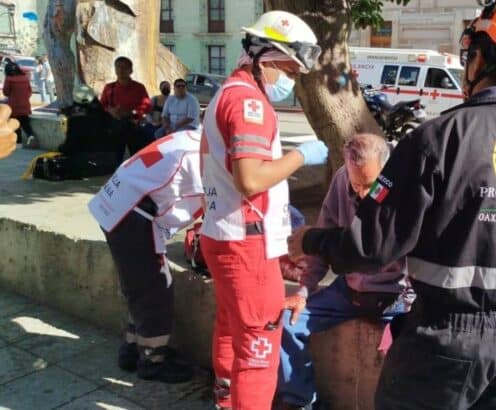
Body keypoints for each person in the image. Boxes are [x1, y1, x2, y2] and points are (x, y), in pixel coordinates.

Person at [288, 0, 496, 408]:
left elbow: (371, 247)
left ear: (481, 56)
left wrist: (312, 239)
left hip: (444, 338)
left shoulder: (433, 141)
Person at [200, 10, 327, 410]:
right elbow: (251, 179)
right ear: (268, 58)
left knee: (230, 327)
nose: (290, 78)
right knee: (259, 348)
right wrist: (300, 155)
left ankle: (224, 400)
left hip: (223, 235)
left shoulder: (227, 92)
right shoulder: (248, 103)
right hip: (246, 244)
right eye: (289, 68)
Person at [277, 133, 414, 410]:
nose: (363, 193)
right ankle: (298, 399)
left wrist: (409, 308)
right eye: (357, 184)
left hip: (395, 296)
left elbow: (417, 260)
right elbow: (323, 241)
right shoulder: (342, 180)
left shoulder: (404, 185)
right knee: (287, 320)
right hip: (347, 291)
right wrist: (304, 291)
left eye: (370, 185)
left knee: (412, 353)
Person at [88, 129, 203, 384]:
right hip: (134, 215)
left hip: (117, 205)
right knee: (156, 288)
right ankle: (153, 360)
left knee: (137, 284)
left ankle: (132, 347)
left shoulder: (190, 137)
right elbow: (220, 201)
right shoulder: (201, 155)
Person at [100, 56, 152, 161]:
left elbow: (147, 106)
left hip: (133, 126)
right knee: (115, 157)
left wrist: (131, 112)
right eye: (118, 67)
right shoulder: (109, 88)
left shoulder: (139, 87)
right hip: (115, 126)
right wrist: (111, 111)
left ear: (131, 70)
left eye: (124, 67)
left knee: (136, 158)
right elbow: (102, 105)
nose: (121, 70)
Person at [2, 61, 35, 147]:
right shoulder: (25, 78)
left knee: (15, 123)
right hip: (25, 105)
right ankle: (30, 135)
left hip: (14, 105)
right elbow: (30, 92)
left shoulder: (9, 79)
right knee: (25, 122)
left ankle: (18, 143)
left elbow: (6, 92)